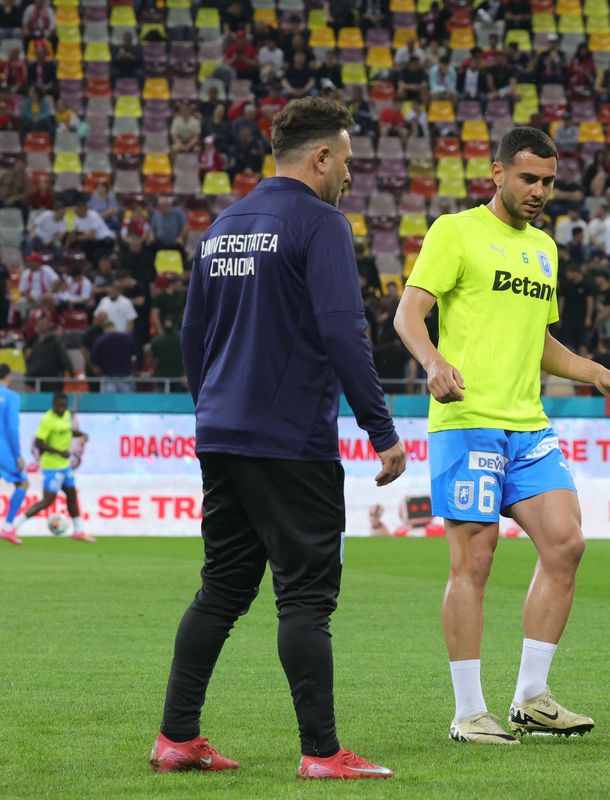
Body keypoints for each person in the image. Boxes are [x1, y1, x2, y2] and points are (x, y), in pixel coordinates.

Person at [152, 96, 406, 780]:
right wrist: (381, 429)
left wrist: (213, 409)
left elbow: (190, 337)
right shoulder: (319, 223)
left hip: (224, 434)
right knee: (306, 597)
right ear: (321, 156)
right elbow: (343, 331)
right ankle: (323, 754)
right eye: (347, 162)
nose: (349, 176)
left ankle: (177, 737)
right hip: (290, 440)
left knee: (222, 589)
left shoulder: (225, 225)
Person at [394, 126, 610, 745]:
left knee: (566, 544)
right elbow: (409, 313)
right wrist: (433, 363)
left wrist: (597, 373)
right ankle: (469, 712)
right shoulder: (456, 232)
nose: (539, 191)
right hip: (468, 420)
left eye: (549, 181)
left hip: (527, 426)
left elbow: (540, 342)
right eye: (528, 178)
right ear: (496, 172)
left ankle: (531, 698)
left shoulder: (545, 250)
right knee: (474, 562)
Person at [9, 392, 90, 542]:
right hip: (52, 466)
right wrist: (60, 452)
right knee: (47, 501)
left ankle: (78, 530)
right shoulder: (47, 420)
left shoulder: (66, 415)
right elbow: (39, 443)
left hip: (64, 466)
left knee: (72, 495)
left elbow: (66, 431)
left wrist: (80, 434)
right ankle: (13, 527)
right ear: (53, 405)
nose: (61, 408)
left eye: (63, 405)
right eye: (58, 406)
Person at [0, 365, 28, 545]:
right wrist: (17, 455)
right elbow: (11, 428)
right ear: (8, 376)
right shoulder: (11, 397)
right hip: (3, 449)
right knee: (22, 483)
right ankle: (8, 528)